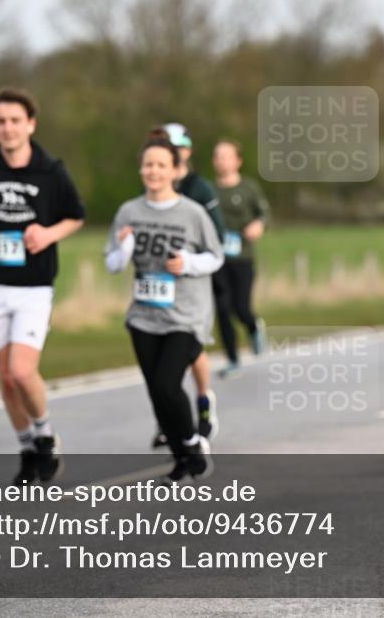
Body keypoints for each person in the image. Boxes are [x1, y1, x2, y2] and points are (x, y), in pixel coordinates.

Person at [0, 88, 85, 485]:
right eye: (1, 121)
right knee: (6, 377)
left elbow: (75, 216)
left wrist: (47, 234)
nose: (8, 128)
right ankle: (27, 448)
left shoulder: (51, 171)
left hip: (33, 286)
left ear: (31, 124)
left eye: (15, 120)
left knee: (22, 370)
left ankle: (45, 435)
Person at [104, 130, 223, 482]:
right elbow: (112, 263)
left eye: (160, 165)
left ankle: (192, 442)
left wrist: (188, 263)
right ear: (141, 169)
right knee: (157, 391)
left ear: (175, 170)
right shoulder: (129, 211)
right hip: (144, 315)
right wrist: (125, 250)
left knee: (168, 384)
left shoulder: (192, 213)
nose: (153, 171)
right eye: (148, 165)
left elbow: (215, 256)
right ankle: (181, 458)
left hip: (185, 315)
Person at [151, 122, 226, 446]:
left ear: (186, 150)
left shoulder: (200, 189)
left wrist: (189, 260)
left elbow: (217, 238)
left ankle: (203, 401)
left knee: (191, 350)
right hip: (159, 283)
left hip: (192, 283)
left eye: (175, 147)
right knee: (161, 354)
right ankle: (168, 419)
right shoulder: (154, 184)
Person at [212, 139, 271, 370]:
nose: (222, 161)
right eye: (218, 156)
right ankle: (232, 358)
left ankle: (254, 327)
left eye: (227, 156)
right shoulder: (210, 190)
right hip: (217, 260)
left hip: (242, 257)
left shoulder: (248, 188)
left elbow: (264, 213)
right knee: (222, 308)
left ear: (238, 161)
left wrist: (258, 225)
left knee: (241, 308)